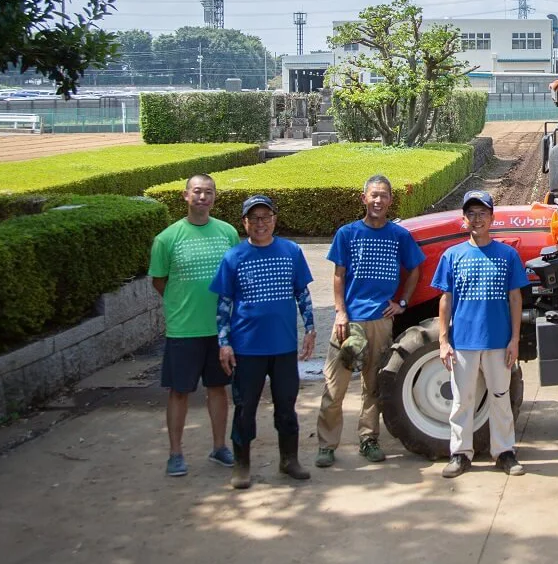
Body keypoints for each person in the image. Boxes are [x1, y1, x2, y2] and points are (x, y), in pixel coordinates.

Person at [315, 175, 426, 468]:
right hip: (349, 321)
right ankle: (326, 445)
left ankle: (368, 439)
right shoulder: (347, 234)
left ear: (391, 201)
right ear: (364, 199)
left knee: (374, 385)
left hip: (381, 320)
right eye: (373, 195)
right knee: (334, 384)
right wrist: (340, 311)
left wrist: (401, 302)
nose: (378, 201)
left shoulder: (399, 236)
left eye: (384, 196)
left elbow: (415, 269)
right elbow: (339, 275)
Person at [211, 194, 317, 490]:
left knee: (286, 403)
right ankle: (242, 464)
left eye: (266, 218)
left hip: (283, 346)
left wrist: (310, 329)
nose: (260, 224)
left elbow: (302, 294)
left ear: (274, 220)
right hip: (246, 348)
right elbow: (223, 304)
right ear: (244, 223)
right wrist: (224, 343)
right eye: (254, 219)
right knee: (245, 407)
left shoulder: (291, 251)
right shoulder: (234, 257)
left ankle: (289, 459)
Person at [433, 190, 529, 478]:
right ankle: (460, 454)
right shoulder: (452, 256)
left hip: (498, 342)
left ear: (492, 218)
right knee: (463, 401)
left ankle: (504, 452)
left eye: (482, 213)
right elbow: (445, 300)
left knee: (501, 398)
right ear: (464, 219)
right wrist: (442, 340)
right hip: (463, 342)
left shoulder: (508, 256)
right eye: (471, 214)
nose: (477, 219)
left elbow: (515, 299)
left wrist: (514, 340)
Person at [148, 174, 238, 477]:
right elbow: (159, 281)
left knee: (218, 389)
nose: (203, 197)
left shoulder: (227, 233)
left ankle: (219, 447)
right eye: (197, 192)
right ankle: (175, 453)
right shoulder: (167, 239)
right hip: (183, 330)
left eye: (208, 192)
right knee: (179, 392)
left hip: (219, 330)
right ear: (186, 196)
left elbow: (235, 276)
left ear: (215, 197)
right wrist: (183, 303)